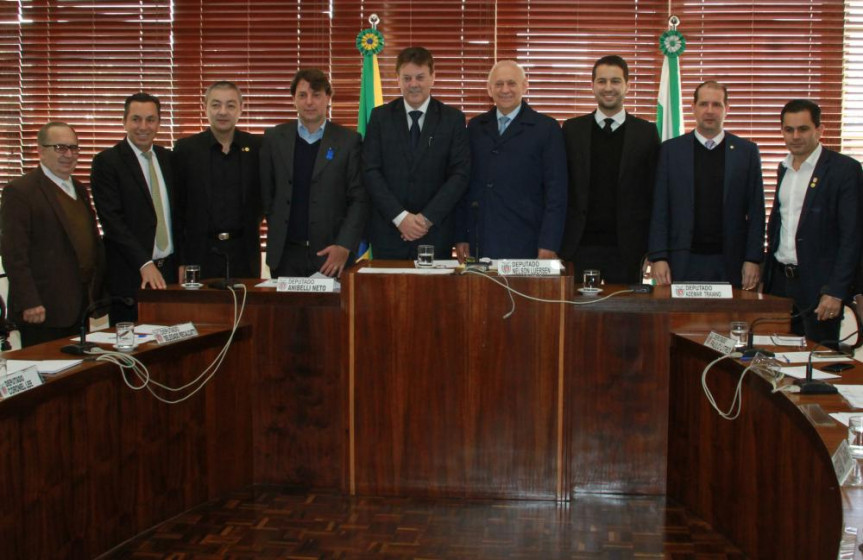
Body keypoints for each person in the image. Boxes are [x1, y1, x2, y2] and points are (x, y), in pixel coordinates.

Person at [648, 81, 765, 288]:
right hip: (681, 261)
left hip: (731, 262)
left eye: (717, 105)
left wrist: (753, 259)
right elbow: (660, 208)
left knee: (728, 320)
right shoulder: (671, 151)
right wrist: (658, 257)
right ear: (693, 108)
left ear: (727, 109)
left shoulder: (746, 152)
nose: (709, 111)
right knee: (681, 320)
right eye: (703, 104)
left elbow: (756, 211)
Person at [764, 99, 863, 344]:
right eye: (789, 130)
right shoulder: (783, 168)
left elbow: (852, 236)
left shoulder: (844, 170)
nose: (795, 136)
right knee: (774, 355)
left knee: (817, 364)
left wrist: (836, 291)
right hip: (780, 283)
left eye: (803, 129)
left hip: (820, 288)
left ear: (820, 129)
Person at [0, 122, 105, 347]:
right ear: (41, 150)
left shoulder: (79, 188)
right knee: (47, 377)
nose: (69, 155)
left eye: (74, 148)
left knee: (76, 376)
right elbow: (14, 253)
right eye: (60, 148)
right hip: (42, 310)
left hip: (78, 306)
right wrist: (29, 302)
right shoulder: (20, 192)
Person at [560, 55, 660, 283]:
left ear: (627, 85)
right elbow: (561, 189)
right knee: (579, 315)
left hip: (628, 249)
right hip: (579, 246)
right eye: (602, 81)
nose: (608, 88)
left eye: (615, 81)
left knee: (625, 316)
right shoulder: (572, 130)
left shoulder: (646, 133)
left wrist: (653, 251)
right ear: (593, 85)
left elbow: (654, 195)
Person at [363, 46, 470, 260]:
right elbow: (370, 171)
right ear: (398, 79)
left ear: (433, 77)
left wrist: (426, 219)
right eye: (407, 78)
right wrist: (400, 217)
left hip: (435, 233)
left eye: (420, 77)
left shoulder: (452, 119)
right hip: (389, 233)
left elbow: (460, 174)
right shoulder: (379, 117)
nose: (413, 84)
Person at [261, 69, 369, 277]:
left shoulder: (349, 141)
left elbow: (359, 199)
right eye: (302, 95)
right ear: (293, 99)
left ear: (328, 97)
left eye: (316, 94)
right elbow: (267, 194)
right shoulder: (274, 138)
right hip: (285, 256)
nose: (309, 102)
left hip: (332, 255)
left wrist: (344, 246)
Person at [455, 60, 567, 260]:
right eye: (498, 84)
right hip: (481, 239)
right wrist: (462, 236)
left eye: (511, 83)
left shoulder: (546, 128)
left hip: (527, 241)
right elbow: (464, 185)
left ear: (524, 86)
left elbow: (556, 192)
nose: (504, 90)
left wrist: (549, 243)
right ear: (489, 89)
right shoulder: (475, 127)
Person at [91, 92, 176, 324]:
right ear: (124, 121)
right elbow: (112, 221)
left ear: (159, 122)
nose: (143, 126)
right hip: (131, 274)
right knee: (133, 350)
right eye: (136, 119)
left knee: (172, 344)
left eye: (150, 119)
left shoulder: (169, 159)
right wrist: (144, 262)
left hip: (170, 271)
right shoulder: (107, 162)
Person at [173, 81, 262, 280]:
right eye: (216, 105)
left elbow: (266, 199)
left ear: (241, 108)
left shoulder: (257, 148)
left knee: (245, 310)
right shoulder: (186, 150)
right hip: (199, 254)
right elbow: (177, 210)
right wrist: (181, 260)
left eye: (230, 105)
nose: (223, 112)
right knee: (200, 311)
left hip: (244, 253)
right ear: (205, 107)